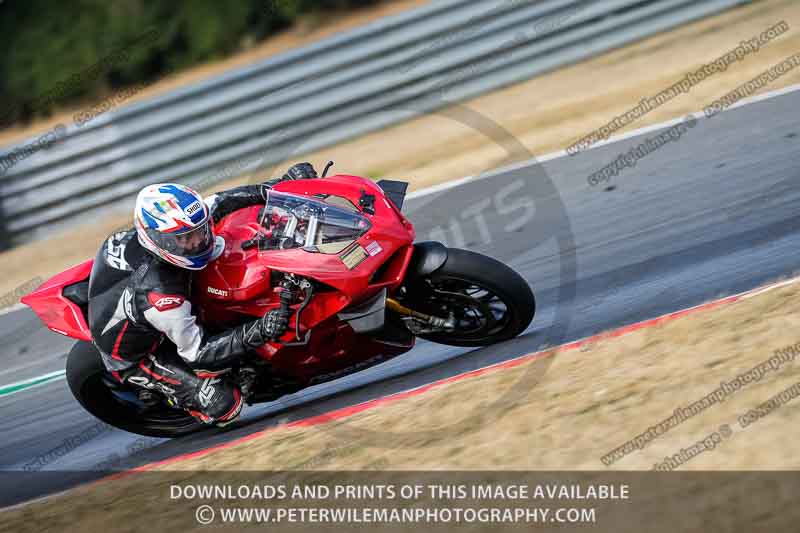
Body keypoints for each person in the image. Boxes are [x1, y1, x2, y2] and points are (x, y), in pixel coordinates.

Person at [87, 162, 318, 426]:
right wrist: (260, 330)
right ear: (158, 240)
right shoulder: (161, 294)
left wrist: (280, 186)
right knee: (224, 404)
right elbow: (197, 353)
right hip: (138, 355)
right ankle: (185, 399)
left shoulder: (176, 227)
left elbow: (221, 201)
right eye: (185, 239)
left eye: (200, 230)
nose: (198, 242)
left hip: (133, 296)